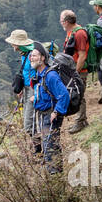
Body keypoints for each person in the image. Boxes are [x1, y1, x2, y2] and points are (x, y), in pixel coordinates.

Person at [27, 45, 71, 173]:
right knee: (49, 146)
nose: (31, 58)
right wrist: (35, 98)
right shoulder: (40, 75)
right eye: (31, 56)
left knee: (50, 147)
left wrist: (56, 112)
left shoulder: (50, 76)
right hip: (43, 116)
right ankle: (55, 177)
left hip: (50, 116)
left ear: (42, 58)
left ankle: (55, 177)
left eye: (34, 55)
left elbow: (64, 95)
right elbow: (46, 94)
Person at [59, 10, 89, 133]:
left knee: (79, 95)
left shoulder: (79, 33)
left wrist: (75, 73)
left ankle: (80, 122)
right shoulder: (71, 32)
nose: (60, 23)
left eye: (61, 21)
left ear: (66, 22)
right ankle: (82, 120)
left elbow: (82, 55)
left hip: (79, 70)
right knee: (77, 93)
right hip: (73, 70)